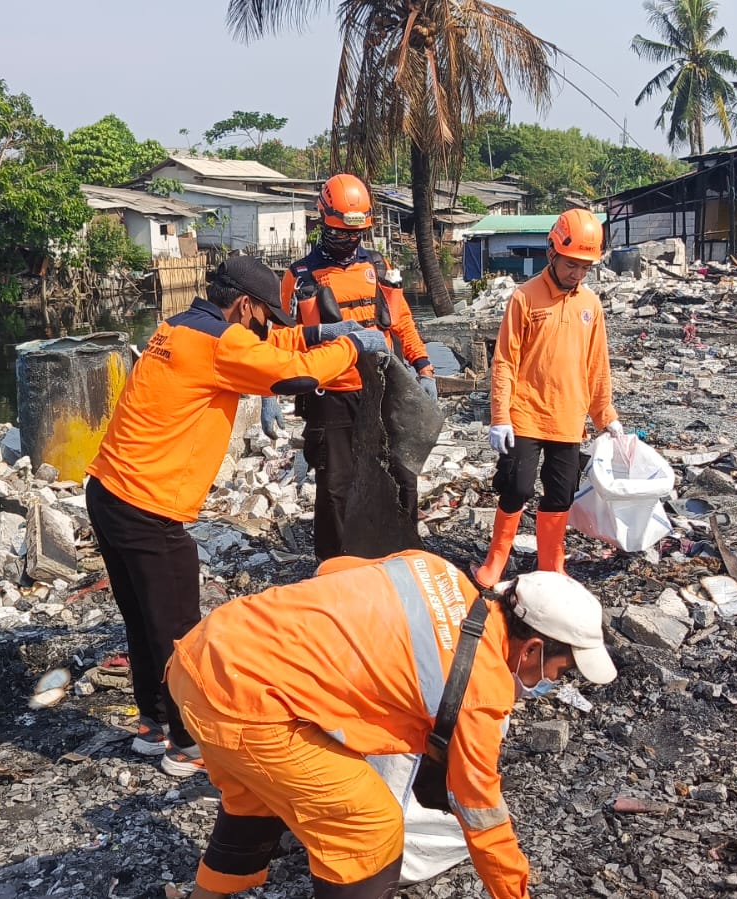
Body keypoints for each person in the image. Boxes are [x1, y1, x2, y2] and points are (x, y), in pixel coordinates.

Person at [166, 550, 616, 898]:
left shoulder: (435, 570)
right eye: (561, 671)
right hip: (246, 702)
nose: (554, 683)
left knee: (256, 798)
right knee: (371, 827)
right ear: (532, 649)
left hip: (206, 651)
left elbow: (335, 568)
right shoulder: (481, 688)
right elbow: (482, 815)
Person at [86, 256, 386, 777]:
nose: (268, 325)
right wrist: (351, 346)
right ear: (244, 305)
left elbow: (272, 347)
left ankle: (154, 725)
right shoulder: (221, 344)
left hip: (108, 492)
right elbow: (292, 374)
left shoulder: (179, 327)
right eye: (264, 314)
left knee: (143, 619)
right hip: (146, 506)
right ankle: (187, 743)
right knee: (179, 630)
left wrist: (320, 332)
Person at [278, 173, 439, 561]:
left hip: (382, 388)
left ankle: (401, 551)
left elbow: (401, 323)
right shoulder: (300, 278)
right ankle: (332, 563)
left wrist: (424, 366)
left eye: (356, 234)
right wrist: (272, 389)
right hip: (331, 395)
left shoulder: (378, 267)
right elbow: (282, 340)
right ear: (323, 222)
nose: (349, 241)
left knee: (402, 473)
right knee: (336, 485)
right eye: (340, 233)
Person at [472, 208, 621, 589]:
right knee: (516, 487)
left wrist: (606, 417)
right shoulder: (525, 298)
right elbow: (505, 360)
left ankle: (551, 564)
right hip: (525, 414)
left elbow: (597, 365)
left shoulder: (591, 305)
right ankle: (496, 561)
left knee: (560, 493)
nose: (577, 274)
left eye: (585, 268)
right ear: (552, 253)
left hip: (569, 419)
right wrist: (499, 416)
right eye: (572, 265)